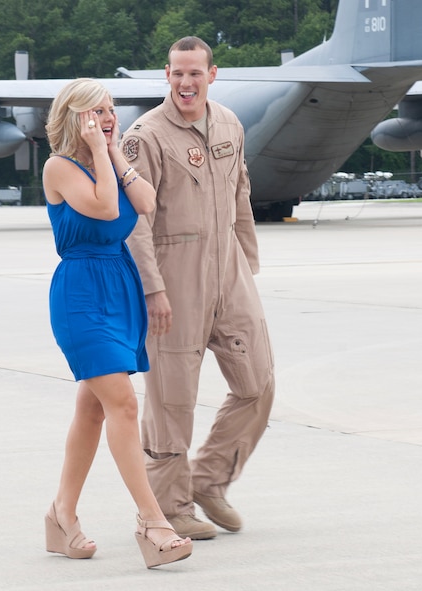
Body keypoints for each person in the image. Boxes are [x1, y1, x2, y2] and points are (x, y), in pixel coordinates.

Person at [122, 37, 275, 540]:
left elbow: (241, 193)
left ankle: (210, 479)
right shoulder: (145, 135)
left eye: (195, 73)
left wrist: (247, 264)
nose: (186, 83)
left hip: (228, 270)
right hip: (174, 275)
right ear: (166, 76)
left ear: (213, 74)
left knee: (258, 383)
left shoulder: (230, 123)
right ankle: (171, 507)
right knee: (172, 399)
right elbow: (136, 222)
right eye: (177, 74)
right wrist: (153, 288)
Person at [42, 78, 192, 568]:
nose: (108, 117)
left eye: (110, 109)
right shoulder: (59, 168)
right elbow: (106, 207)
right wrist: (97, 152)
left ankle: (61, 516)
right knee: (125, 405)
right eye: (96, 112)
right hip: (82, 294)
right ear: (73, 117)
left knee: (92, 411)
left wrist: (111, 152)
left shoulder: (107, 159)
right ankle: (153, 522)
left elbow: (145, 203)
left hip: (120, 289)